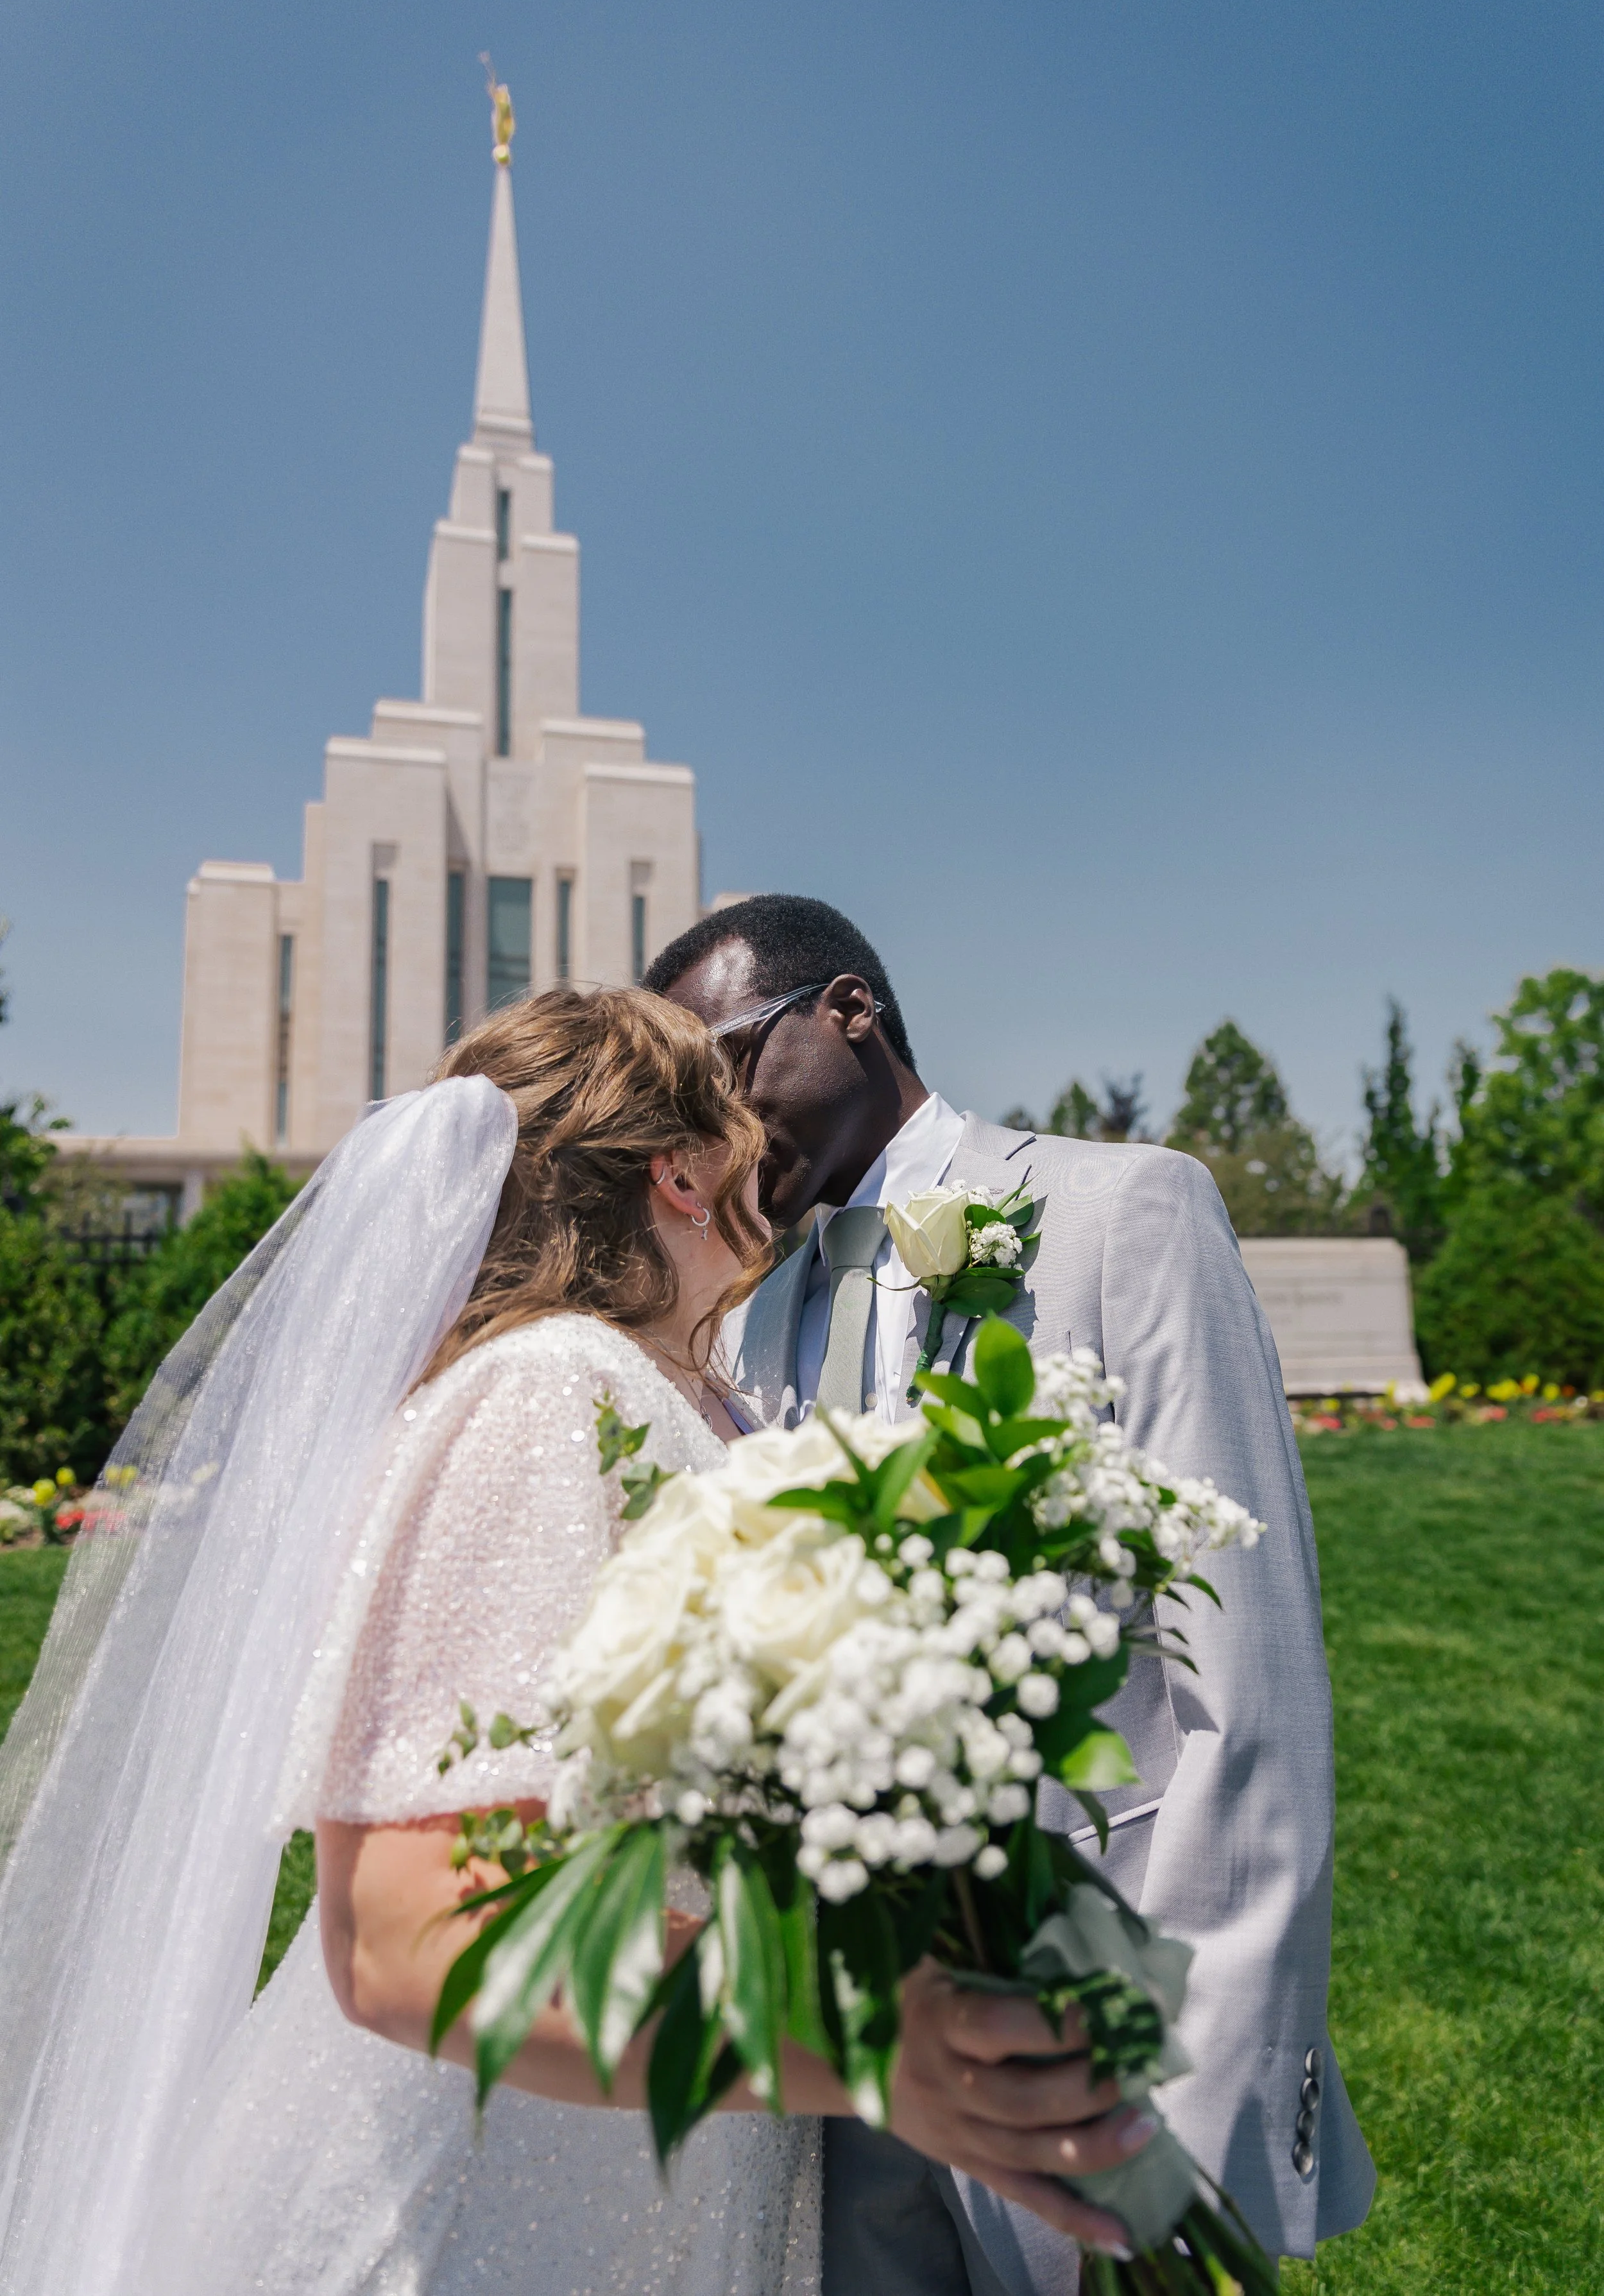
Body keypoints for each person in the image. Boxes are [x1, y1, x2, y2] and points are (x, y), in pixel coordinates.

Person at [0, 986, 1147, 2296]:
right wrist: (874, 2045)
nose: (763, 1153)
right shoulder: (544, 1387)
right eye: (731, 1121)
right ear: (677, 1169)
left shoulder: (686, 1395)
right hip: (487, 2193)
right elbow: (403, 1936)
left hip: (638, 2144)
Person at [645, 896, 1377, 2296]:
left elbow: (1250, 1672)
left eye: (727, 1068)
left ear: (847, 1012)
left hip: (1106, 1988)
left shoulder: (1123, 1211)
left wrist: (1202, 2093)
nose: (715, 1132)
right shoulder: (750, 1309)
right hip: (856, 2040)